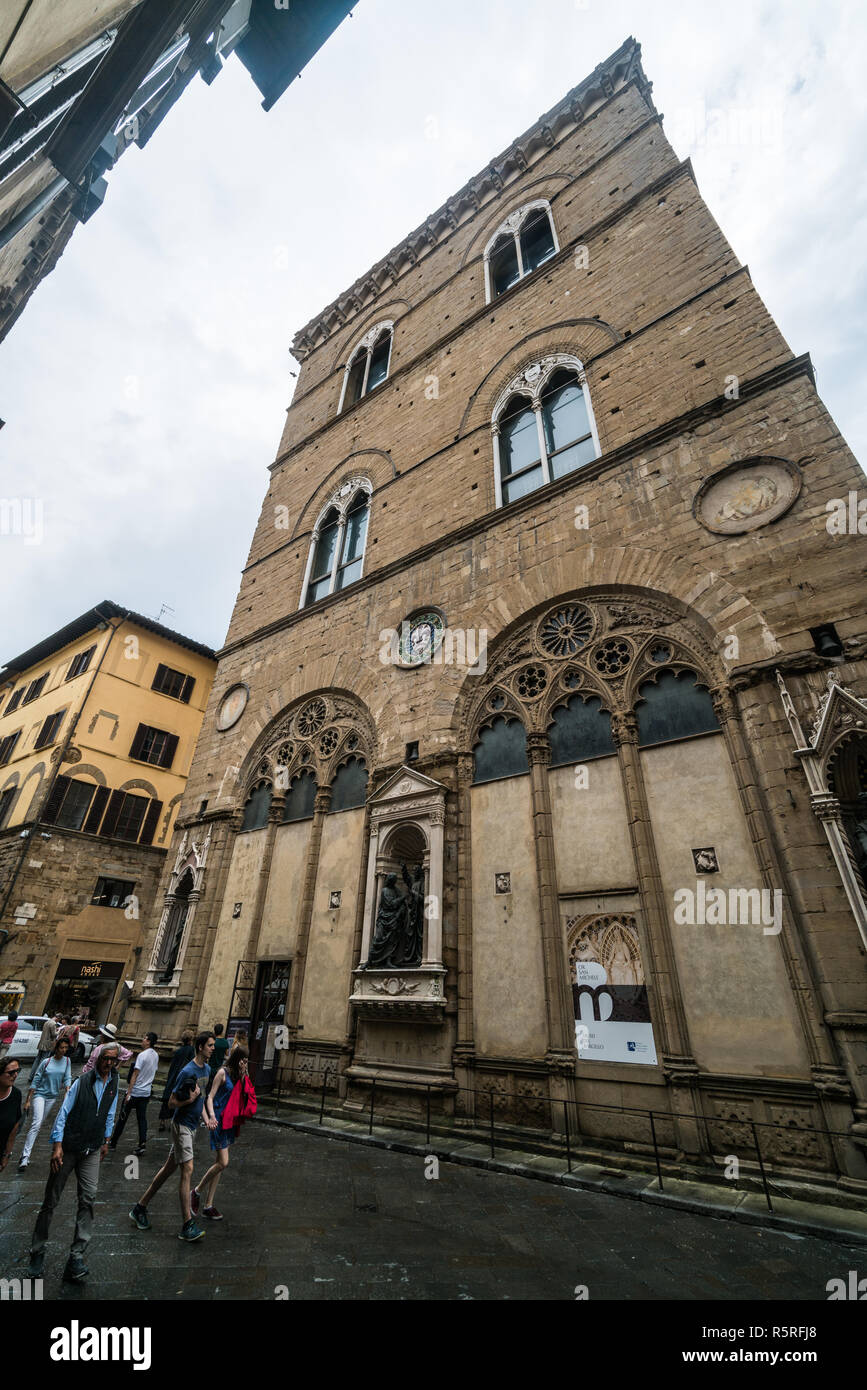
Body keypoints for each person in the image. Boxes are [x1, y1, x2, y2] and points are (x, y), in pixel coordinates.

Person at [28, 1042, 119, 1281]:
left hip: (92, 1148)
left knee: (88, 1199)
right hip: (69, 1147)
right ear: (98, 1058)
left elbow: (110, 1111)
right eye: (106, 1058)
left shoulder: (114, 1082)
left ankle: (76, 1255)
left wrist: (107, 1139)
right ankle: (37, 1251)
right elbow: (63, 1112)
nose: (109, 1063)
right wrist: (57, 1145)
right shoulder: (82, 1081)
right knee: (51, 1200)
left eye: (113, 1060)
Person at [129, 1032, 215, 1241]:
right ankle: (187, 1224)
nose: (213, 1048)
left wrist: (208, 1117)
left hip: (193, 1126)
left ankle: (140, 1207)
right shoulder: (187, 1071)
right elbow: (171, 1103)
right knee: (188, 1169)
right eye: (210, 1045)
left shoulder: (208, 1069)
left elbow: (201, 1098)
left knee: (168, 1169)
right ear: (200, 1047)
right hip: (182, 1125)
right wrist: (189, 1100)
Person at [191, 1046, 249, 1221]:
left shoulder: (239, 1075)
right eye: (243, 1061)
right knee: (223, 1162)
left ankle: (208, 1205)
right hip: (219, 1121)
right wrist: (212, 1116)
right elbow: (209, 1096)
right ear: (236, 1058)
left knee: (220, 1164)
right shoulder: (222, 1073)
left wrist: (245, 1074)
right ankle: (196, 1191)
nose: (244, 1064)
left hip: (230, 1121)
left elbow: (245, 1094)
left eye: (246, 1062)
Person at [18, 1035, 72, 1169]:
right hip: (40, 1095)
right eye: (61, 1047)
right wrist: (28, 1100)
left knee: (39, 1124)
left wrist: (67, 1092)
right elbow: (36, 1079)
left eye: (66, 1048)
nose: (63, 1050)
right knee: (36, 1123)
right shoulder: (46, 1062)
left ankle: (25, 1154)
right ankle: (25, 1156)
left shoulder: (67, 1061)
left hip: (52, 1097)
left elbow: (67, 1078)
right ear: (56, 1048)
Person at [109, 1032, 159, 1154]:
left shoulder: (142, 1055)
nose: (142, 1040)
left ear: (148, 1041)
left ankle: (113, 1142)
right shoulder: (156, 1055)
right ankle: (142, 1143)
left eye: (144, 1038)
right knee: (142, 1119)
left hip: (135, 1092)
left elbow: (135, 1074)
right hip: (146, 1093)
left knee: (122, 1118)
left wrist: (129, 1093)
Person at [158, 1029, 194, 1132]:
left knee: (167, 1099)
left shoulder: (178, 1051)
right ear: (191, 1039)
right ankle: (172, 1122)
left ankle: (162, 1121)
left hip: (173, 1076)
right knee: (177, 1099)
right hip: (182, 1077)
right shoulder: (191, 1050)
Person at [0, 1056, 23, 1171]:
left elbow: (14, 1127)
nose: (15, 1075)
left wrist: (7, 1154)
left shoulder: (16, 1095)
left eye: (17, 1071)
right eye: (11, 1072)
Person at [28, 1014, 59, 1083]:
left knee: (37, 1060)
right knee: (43, 1061)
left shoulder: (47, 1022)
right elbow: (54, 1034)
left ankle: (31, 1076)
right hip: (47, 1044)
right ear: (58, 1018)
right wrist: (59, 1031)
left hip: (42, 1043)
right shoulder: (53, 1023)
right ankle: (37, 1077)